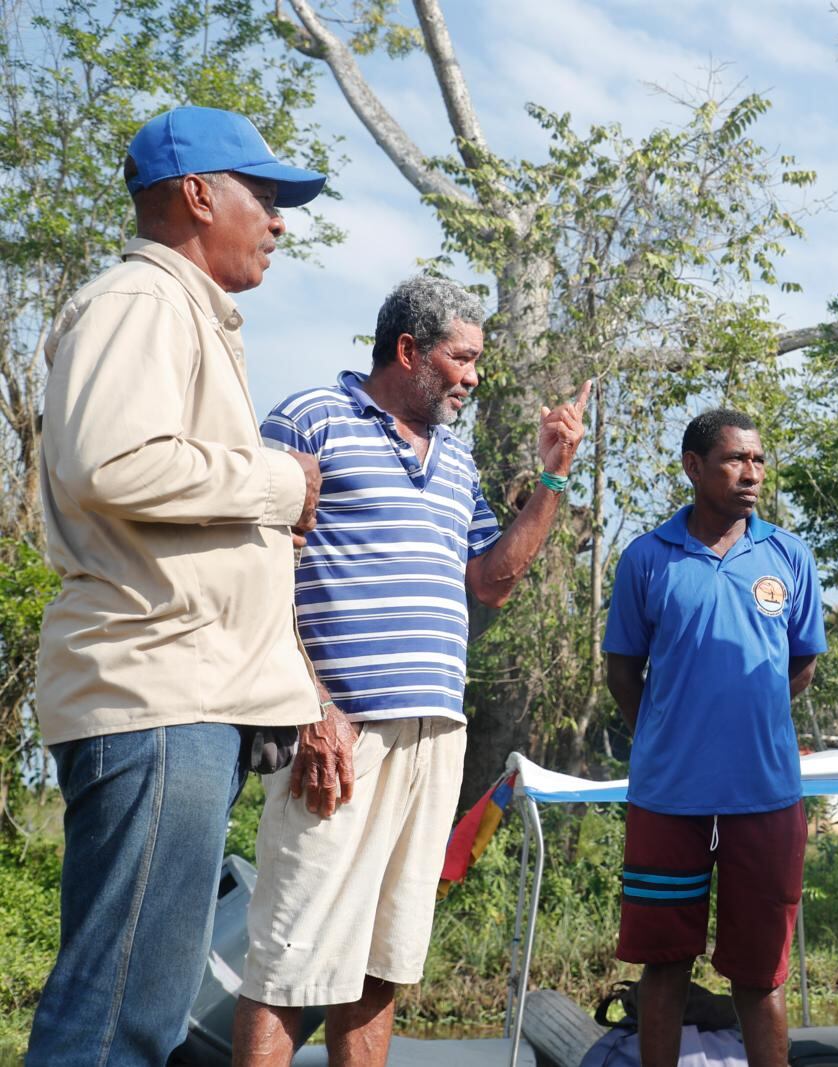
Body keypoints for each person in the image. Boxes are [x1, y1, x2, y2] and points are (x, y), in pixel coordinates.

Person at [26, 106, 327, 1066]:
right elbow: (114, 462)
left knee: (137, 1013)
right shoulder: (144, 299)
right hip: (157, 696)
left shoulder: (182, 312)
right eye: (265, 196)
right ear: (197, 195)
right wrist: (281, 483)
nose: (278, 221)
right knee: (118, 1019)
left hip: (180, 697)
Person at [230, 275, 590, 1066]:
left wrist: (553, 477)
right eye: (463, 358)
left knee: (381, 962)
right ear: (408, 350)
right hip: (338, 733)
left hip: (435, 735)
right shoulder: (309, 418)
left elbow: (492, 579)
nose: (474, 377)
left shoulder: (456, 458)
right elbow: (252, 571)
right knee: (289, 960)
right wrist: (310, 706)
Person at [602, 409, 827, 1067]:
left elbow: (801, 665)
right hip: (668, 799)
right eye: (735, 459)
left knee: (760, 973)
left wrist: (746, 727)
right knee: (665, 962)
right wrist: (670, 736)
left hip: (766, 795)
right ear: (694, 467)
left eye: (758, 460)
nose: (751, 473)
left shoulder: (789, 555)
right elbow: (622, 671)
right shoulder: (648, 557)